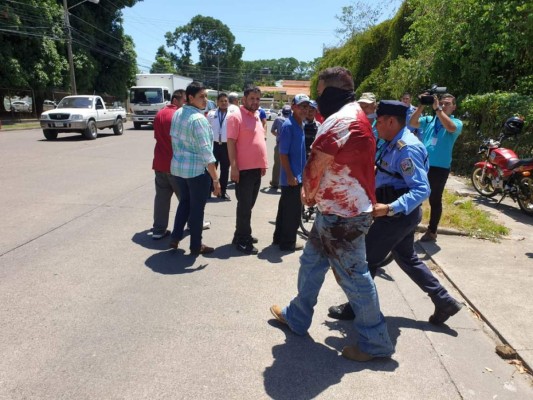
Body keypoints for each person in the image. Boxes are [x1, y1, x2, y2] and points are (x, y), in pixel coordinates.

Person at [270, 67, 394, 362]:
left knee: (355, 278)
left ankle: (376, 341)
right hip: (338, 211)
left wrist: (308, 195)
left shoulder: (340, 121)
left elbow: (316, 164)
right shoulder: (357, 115)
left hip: (343, 216)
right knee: (311, 263)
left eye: (321, 93)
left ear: (333, 92)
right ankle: (297, 316)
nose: (318, 100)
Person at [327, 100, 463, 326]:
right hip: (396, 213)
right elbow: (388, 172)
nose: (376, 125)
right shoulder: (391, 142)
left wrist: (390, 208)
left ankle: (357, 309)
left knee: (365, 259)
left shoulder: (406, 148)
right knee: (407, 258)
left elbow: (421, 188)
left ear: (391, 121)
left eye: (379, 121)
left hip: (396, 214)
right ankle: (444, 301)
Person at [168, 81, 221, 255]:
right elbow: (206, 152)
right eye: (201, 97)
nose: (205, 100)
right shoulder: (198, 119)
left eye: (206, 96)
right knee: (197, 209)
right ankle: (196, 245)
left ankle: (175, 238)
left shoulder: (178, 113)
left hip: (178, 169)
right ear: (190, 98)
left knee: (184, 202)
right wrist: (215, 179)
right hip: (196, 172)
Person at [409, 93, 463, 242]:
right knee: (415, 196)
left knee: (434, 199)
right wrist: (421, 105)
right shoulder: (429, 120)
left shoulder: (456, 122)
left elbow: (450, 128)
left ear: (454, 107)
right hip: (422, 165)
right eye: (442, 103)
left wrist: (438, 109)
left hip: (440, 168)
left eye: (447, 104)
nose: (444, 105)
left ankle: (432, 231)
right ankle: (409, 227)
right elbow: (413, 122)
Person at [227, 86, 268, 255]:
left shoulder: (257, 115)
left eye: (258, 99)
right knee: (244, 206)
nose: (255, 102)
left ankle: (240, 235)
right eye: (252, 98)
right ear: (244, 99)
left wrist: (262, 164)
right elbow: (230, 143)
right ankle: (244, 240)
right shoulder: (236, 116)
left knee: (248, 206)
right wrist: (234, 168)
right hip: (243, 170)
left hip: (255, 169)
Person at [272, 94, 309, 251]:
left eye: (306, 107)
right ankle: (288, 243)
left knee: (285, 209)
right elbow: (283, 153)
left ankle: (279, 238)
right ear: (293, 107)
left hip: (297, 175)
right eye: (301, 106)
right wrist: (289, 175)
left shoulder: (300, 124)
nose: (304, 110)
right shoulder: (288, 125)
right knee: (292, 212)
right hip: (292, 177)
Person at [150, 89, 186, 240]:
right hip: (175, 165)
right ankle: (193, 223)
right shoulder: (178, 115)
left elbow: (157, 136)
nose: (186, 104)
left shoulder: (159, 114)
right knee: (186, 199)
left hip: (159, 163)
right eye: (185, 101)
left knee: (161, 199)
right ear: (176, 100)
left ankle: (158, 230)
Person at [207, 92, 236, 201]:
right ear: (217, 102)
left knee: (225, 170)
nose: (224, 103)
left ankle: (222, 192)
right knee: (211, 169)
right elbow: (207, 129)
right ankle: (208, 191)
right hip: (213, 145)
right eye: (221, 101)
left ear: (228, 102)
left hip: (226, 146)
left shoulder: (232, 114)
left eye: (226, 101)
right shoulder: (211, 114)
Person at [270, 105, 291, 190]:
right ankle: (286, 182)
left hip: (280, 143)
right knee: (288, 164)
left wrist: (278, 135)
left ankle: (275, 182)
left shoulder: (278, 119)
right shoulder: (292, 120)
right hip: (290, 145)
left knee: (277, 164)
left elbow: (272, 130)